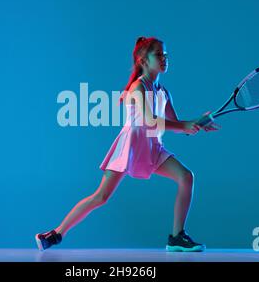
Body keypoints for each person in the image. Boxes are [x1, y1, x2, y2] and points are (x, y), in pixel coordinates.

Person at [36, 36, 221, 252]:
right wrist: (186, 126)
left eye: (165, 55)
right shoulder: (137, 87)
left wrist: (199, 123)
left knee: (186, 177)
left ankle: (176, 237)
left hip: (153, 148)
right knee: (101, 197)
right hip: (130, 147)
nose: (164, 58)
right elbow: (150, 120)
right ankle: (56, 234)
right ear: (143, 60)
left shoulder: (163, 92)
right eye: (159, 55)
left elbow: (175, 124)